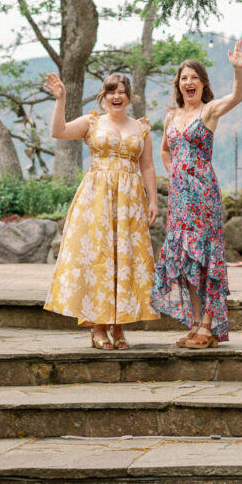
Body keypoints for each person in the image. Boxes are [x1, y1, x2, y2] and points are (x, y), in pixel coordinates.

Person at [43, 72, 158, 349]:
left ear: (129, 97)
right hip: (97, 199)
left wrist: (152, 200)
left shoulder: (140, 128)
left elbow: (147, 166)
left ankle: (118, 328)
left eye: (121, 92)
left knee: (125, 258)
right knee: (99, 258)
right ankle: (97, 327)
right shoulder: (92, 121)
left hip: (130, 201)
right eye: (110, 91)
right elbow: (58, 131)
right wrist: (61, 100)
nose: (116, 97)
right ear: (103, 96)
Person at [152, 41, 242, 348]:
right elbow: (165, 150)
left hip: (203, 194)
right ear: (178, 85)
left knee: (205, 258)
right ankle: (195, 324)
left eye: (194, 77)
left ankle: (208, 324)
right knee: (186, 259)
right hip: (180, 197)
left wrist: (237, 69)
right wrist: (176, 173)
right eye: (184, 78)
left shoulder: (209, 111)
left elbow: (237, 97)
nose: (189, 82)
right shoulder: (171, 116)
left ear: (203, 83)